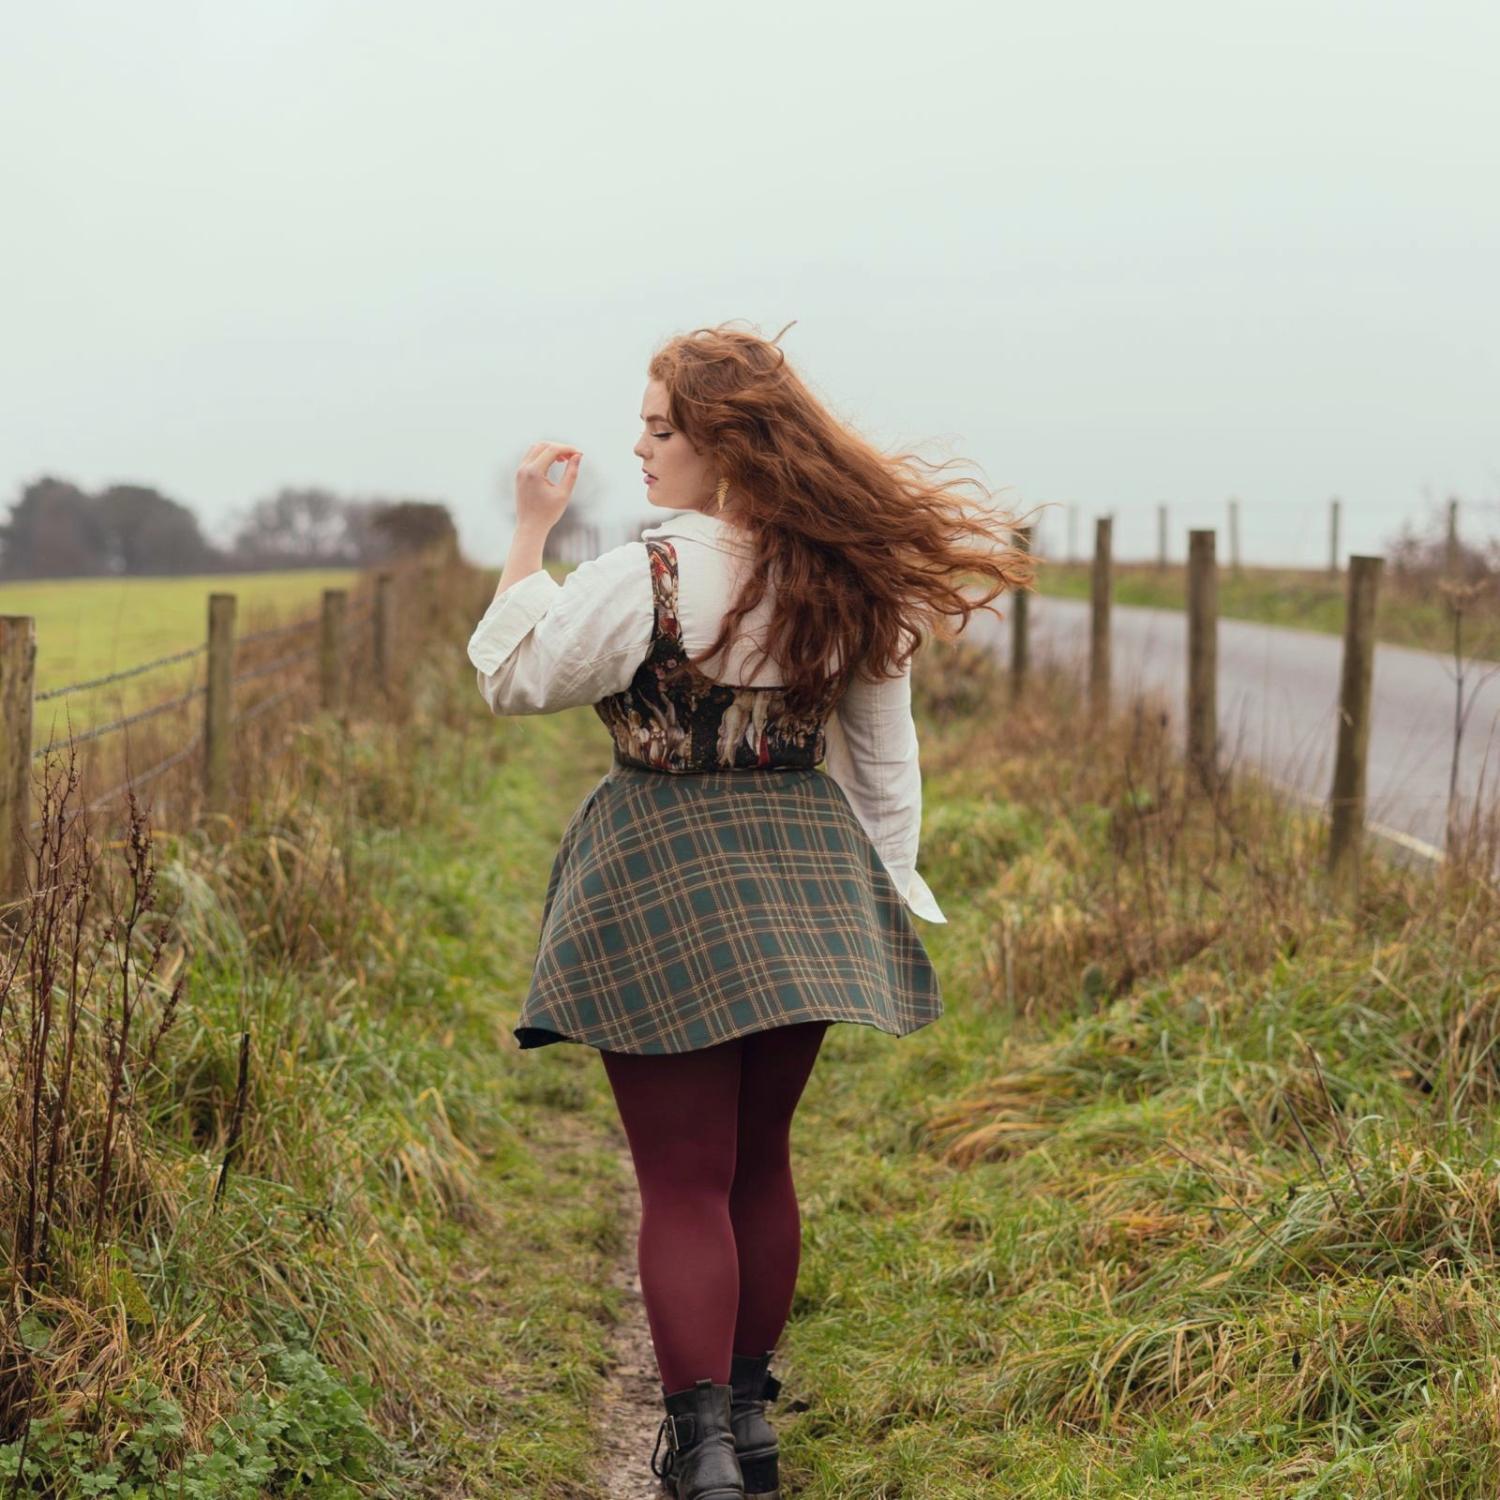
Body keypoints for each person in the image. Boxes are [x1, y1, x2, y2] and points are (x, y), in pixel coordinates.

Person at [466, 321, 1033, 1500]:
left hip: (660, 872)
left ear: (722, 444)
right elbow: (886, 764)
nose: (639, 446)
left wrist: (528, 531)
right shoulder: (840, 577)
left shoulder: (646, 576)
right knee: (758, 1163)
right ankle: (751, 1430)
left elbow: (515, 678)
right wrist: (882, 896)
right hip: (808, 876)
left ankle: (703, 1451)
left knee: (681, 1180)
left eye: (660, 427)